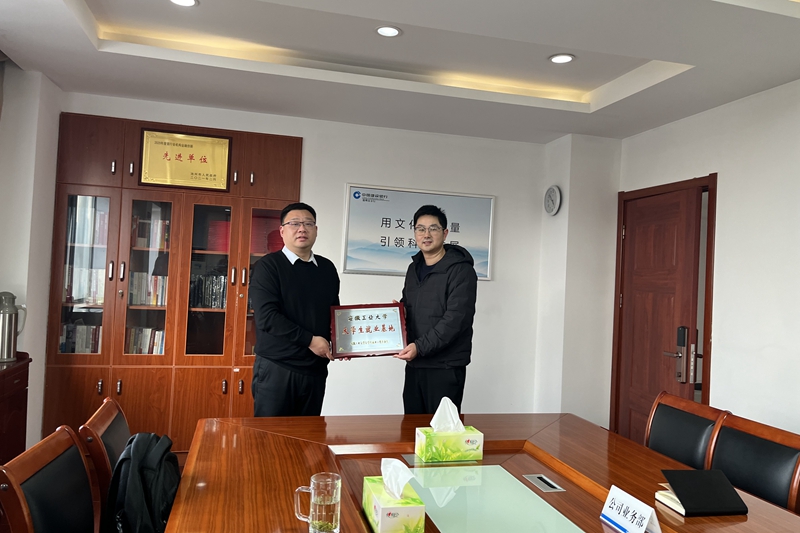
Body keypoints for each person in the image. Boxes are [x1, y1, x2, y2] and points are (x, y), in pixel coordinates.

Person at [249, 202, 340, 416]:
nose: (302, 229)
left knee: (307, 434)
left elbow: (334, 313)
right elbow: (267, 318)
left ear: (316, 230)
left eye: (308, 223)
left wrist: (342, 342)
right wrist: (310, 341)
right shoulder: (268, 267)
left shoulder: (327, 268)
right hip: (277, 368)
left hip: (315, 369)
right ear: (282, 231)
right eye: (295, 223)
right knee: (271, 434)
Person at [395, 205, 478, 414]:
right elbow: (409, 305)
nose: (426, 234)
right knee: (413, 427)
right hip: (416, 364)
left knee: (442, 430)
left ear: (445, 233)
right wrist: (396, 315)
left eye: (433, 228)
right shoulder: (414, 268)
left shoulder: (461, 270)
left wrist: (419, 347)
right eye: (420, 229)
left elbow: (455, 319)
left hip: (445, 367)